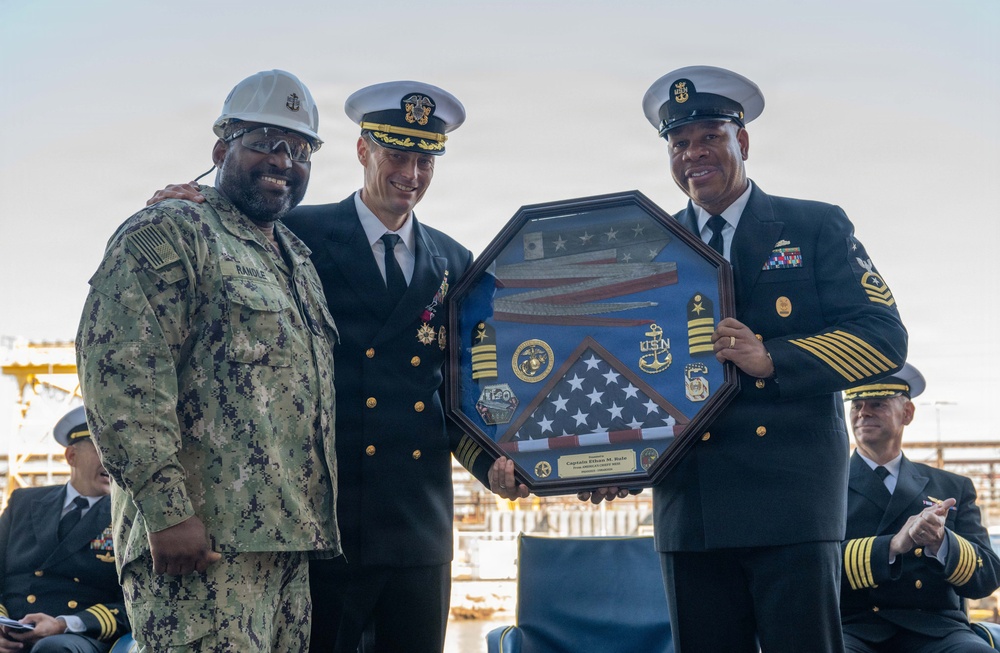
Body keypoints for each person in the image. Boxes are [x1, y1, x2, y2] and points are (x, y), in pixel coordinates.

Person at [147, 81, 501, 653]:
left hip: (418, 522)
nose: (411, 174)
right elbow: (230, 221)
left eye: (425, 161)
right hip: (323, 522)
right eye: (396, 156)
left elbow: (458, 392)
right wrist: (190, 202)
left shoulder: (454, 260)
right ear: (363, 150)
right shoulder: (295, 232)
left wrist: (495, 464)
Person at [575, 65, 909, 652]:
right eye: (679, 143)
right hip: (691, 503)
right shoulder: (649, 245)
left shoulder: (814, 225)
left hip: (790, 503)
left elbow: (884, 337)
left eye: (710, 136)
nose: (693, 154)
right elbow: (627, 366)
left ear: (743, 142)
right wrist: (611, 456)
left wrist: (773, 357)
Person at [75, 69, 341, 651]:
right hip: (200, 547)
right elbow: (122, 375)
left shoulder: (295, 258)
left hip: (284, 547)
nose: (283, 161)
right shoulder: (173, 229)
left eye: (300, 150)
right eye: (265, 142)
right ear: (221, 149)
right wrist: (168, 511)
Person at [841, 363, 1000, 652]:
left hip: (937, 629)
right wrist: (892, 546)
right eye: (857, 405)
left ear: (907, 413)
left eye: (877, 404)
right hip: (854, 628)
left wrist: (942, 542)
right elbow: (813, 569)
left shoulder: (953, 487)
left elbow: (986, 577)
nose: (863, 413)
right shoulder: (828, 488)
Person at [0, 406, 130, 653]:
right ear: (71, 456)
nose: (113, 461)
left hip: (79, 635)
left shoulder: (129, 517)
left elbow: (135, 601)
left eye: (120, 452)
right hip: (10, 630)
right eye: (103, 449)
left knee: (53, 648)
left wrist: (63, 624)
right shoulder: (23, 503)